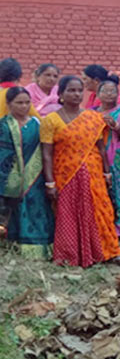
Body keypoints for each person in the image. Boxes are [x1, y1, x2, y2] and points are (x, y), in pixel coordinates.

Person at [40, 76, 120, 267]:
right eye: (71, 90)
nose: (76, 94)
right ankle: (71, 254)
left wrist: (106, 172)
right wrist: (50, 183)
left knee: (101, 211)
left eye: (79, 90)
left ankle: (109, 252)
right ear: (60, 94)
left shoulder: (92, 118)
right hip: (66, 175)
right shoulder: (50, 121)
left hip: (94, 174)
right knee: (69, 214)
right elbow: (47, 154)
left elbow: (100, 148)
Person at [0, 87, 54, 259]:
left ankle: (38, 248)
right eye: (19, 103)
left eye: (27, 102)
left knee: (37, 207)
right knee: (14, 210)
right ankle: (14, 245)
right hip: (10, 177)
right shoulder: (4, 125)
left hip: (36, 176)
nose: (24, 106)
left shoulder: (38, 124)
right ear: (9, 104)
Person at [94, 78, 120, 237]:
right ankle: (105, 225)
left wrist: (115, 126)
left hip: (119, 155)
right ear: (98, 94)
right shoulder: (91, 113)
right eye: (106, 91)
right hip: (98, 155)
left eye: (113, 91)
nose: (110, 94)